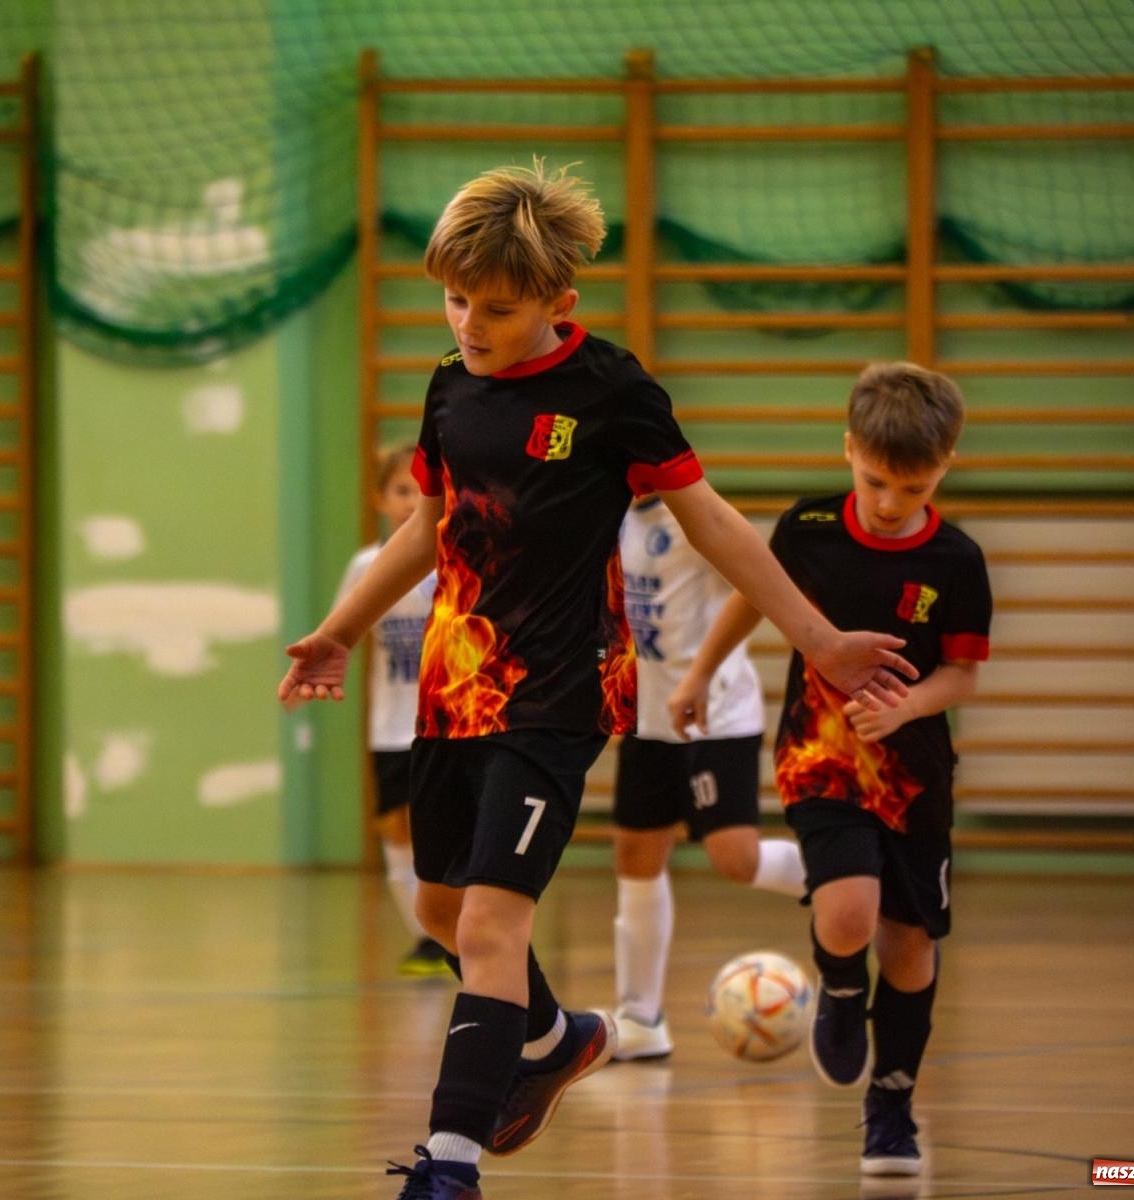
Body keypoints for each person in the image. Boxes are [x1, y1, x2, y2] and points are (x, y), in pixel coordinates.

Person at [278, 160, 918, 1200]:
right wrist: (338, 631)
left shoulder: (611, 391)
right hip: (454, 687)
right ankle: (551, 1036)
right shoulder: (451, 386)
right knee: (442, 910)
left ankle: (448, 1166)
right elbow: (429, 528)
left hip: (562, 693)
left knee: (489, 925)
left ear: (557, 304)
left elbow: (712, 523)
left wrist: (819, 638)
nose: (470, 323)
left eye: (496, 308)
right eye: (454, 300)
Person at [667, 361, 991, 1178]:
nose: (889, 503)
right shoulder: (808, 526)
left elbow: (961, 675)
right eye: (876, 480)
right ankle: (840, 989)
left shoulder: (957, 561)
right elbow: (753, 596)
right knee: (849, 916)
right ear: (848, 449)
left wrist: (907, 710)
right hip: (821, 758)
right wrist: (701, 672)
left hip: (915, 774)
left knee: (910, 951)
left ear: (944, 467)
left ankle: (890, 1106)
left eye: (911, 488)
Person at [605, 495, 805, 1061]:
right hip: (647, 716)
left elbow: (758, 583)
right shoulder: (609, 515)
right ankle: (641, 1016)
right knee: (636, 853)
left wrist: (699, 670)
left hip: (713, 715)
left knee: (733, 858)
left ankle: (846, 880)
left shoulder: (695, 514)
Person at [335, 443, 447, 977]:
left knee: (441, 829)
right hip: (390, 726)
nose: (411, 501)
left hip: (447, 724)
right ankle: (426, 938)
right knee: (394, 828)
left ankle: (451, 925)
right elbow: (342, 630)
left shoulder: (456, 557)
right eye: (401, 490)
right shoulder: (366, 565)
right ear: (380, 499)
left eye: (422, 491)